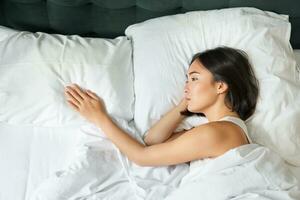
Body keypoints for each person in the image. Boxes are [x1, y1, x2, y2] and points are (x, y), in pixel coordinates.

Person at [64, 46, 259, 167]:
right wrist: (186, 105)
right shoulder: (222, 130)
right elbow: (153, 141)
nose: (186, 86)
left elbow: (142, 156)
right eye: (187, 79)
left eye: (194, 79)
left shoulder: (216, 133)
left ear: (220, 86)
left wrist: (100, 118)